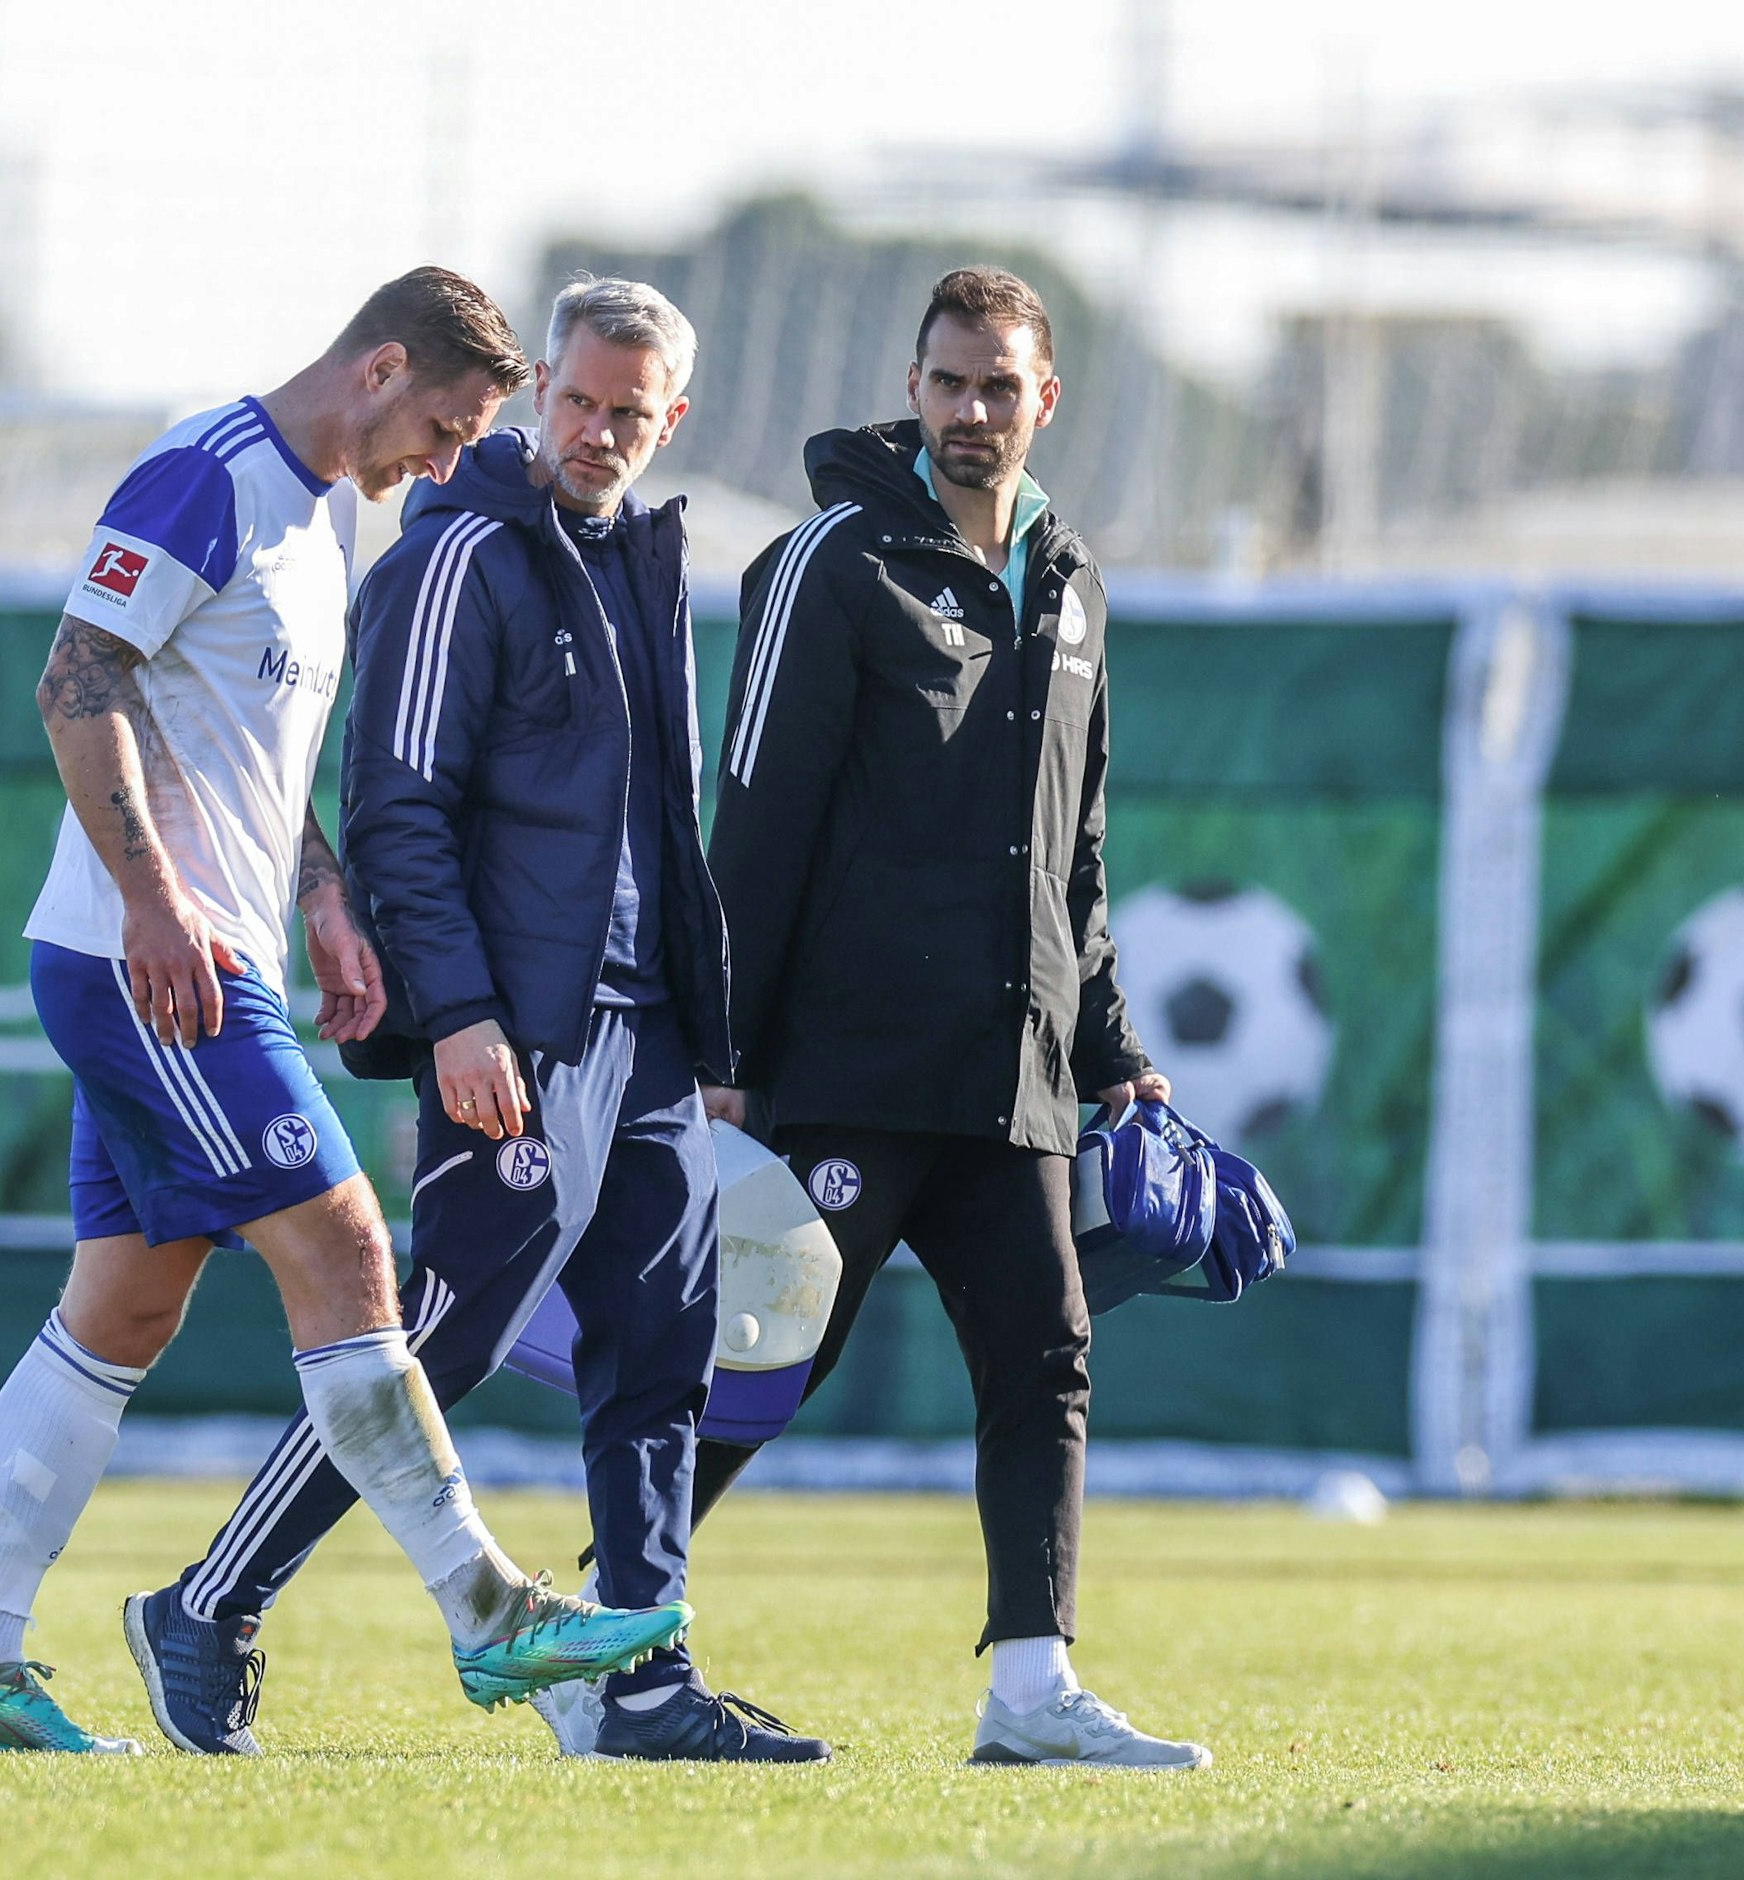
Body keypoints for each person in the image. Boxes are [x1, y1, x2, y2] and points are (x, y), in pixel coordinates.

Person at [0, 269, 692, 1756]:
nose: (451, 463)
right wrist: (150, 903)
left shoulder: (327, 514)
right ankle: (489, 1611)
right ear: (382, 366)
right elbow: (79, 682)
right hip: (153, 964)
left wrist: (320, 896)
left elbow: (242, 753)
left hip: (217, 953)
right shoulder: (205, 476)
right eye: (449, 426)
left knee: (125, 1305)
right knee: (345, 1243)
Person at [125, 278, 830, 1765]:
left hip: (644, 1044)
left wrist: (705, 1054)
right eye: (574, 401)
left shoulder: (645, 554)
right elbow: (397, 807)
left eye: (628, 414)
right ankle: (210, 1602)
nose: (595, 432)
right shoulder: (459, 553)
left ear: (671, 419)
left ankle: (640, 1687)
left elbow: (656, 824)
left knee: (666, 1358)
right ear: (539, 393)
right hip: (515, 1033)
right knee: (440, 1336)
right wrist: (458, 1015)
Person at [695, 267, 1212, 1770]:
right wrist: (724, 1058)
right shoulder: (830, 560)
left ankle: (1032, 1690)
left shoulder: (1074, 577)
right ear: (912, 390)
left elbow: (1079, 846)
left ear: (1047, 397)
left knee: (1044, 1356)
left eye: (1000, 385)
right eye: (947, 382)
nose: (972, 411)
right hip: (848, 1067)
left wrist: (1108, 1047)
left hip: (1017, 1072)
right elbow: (758, 822)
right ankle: (615, 1641)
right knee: (758, 1363)